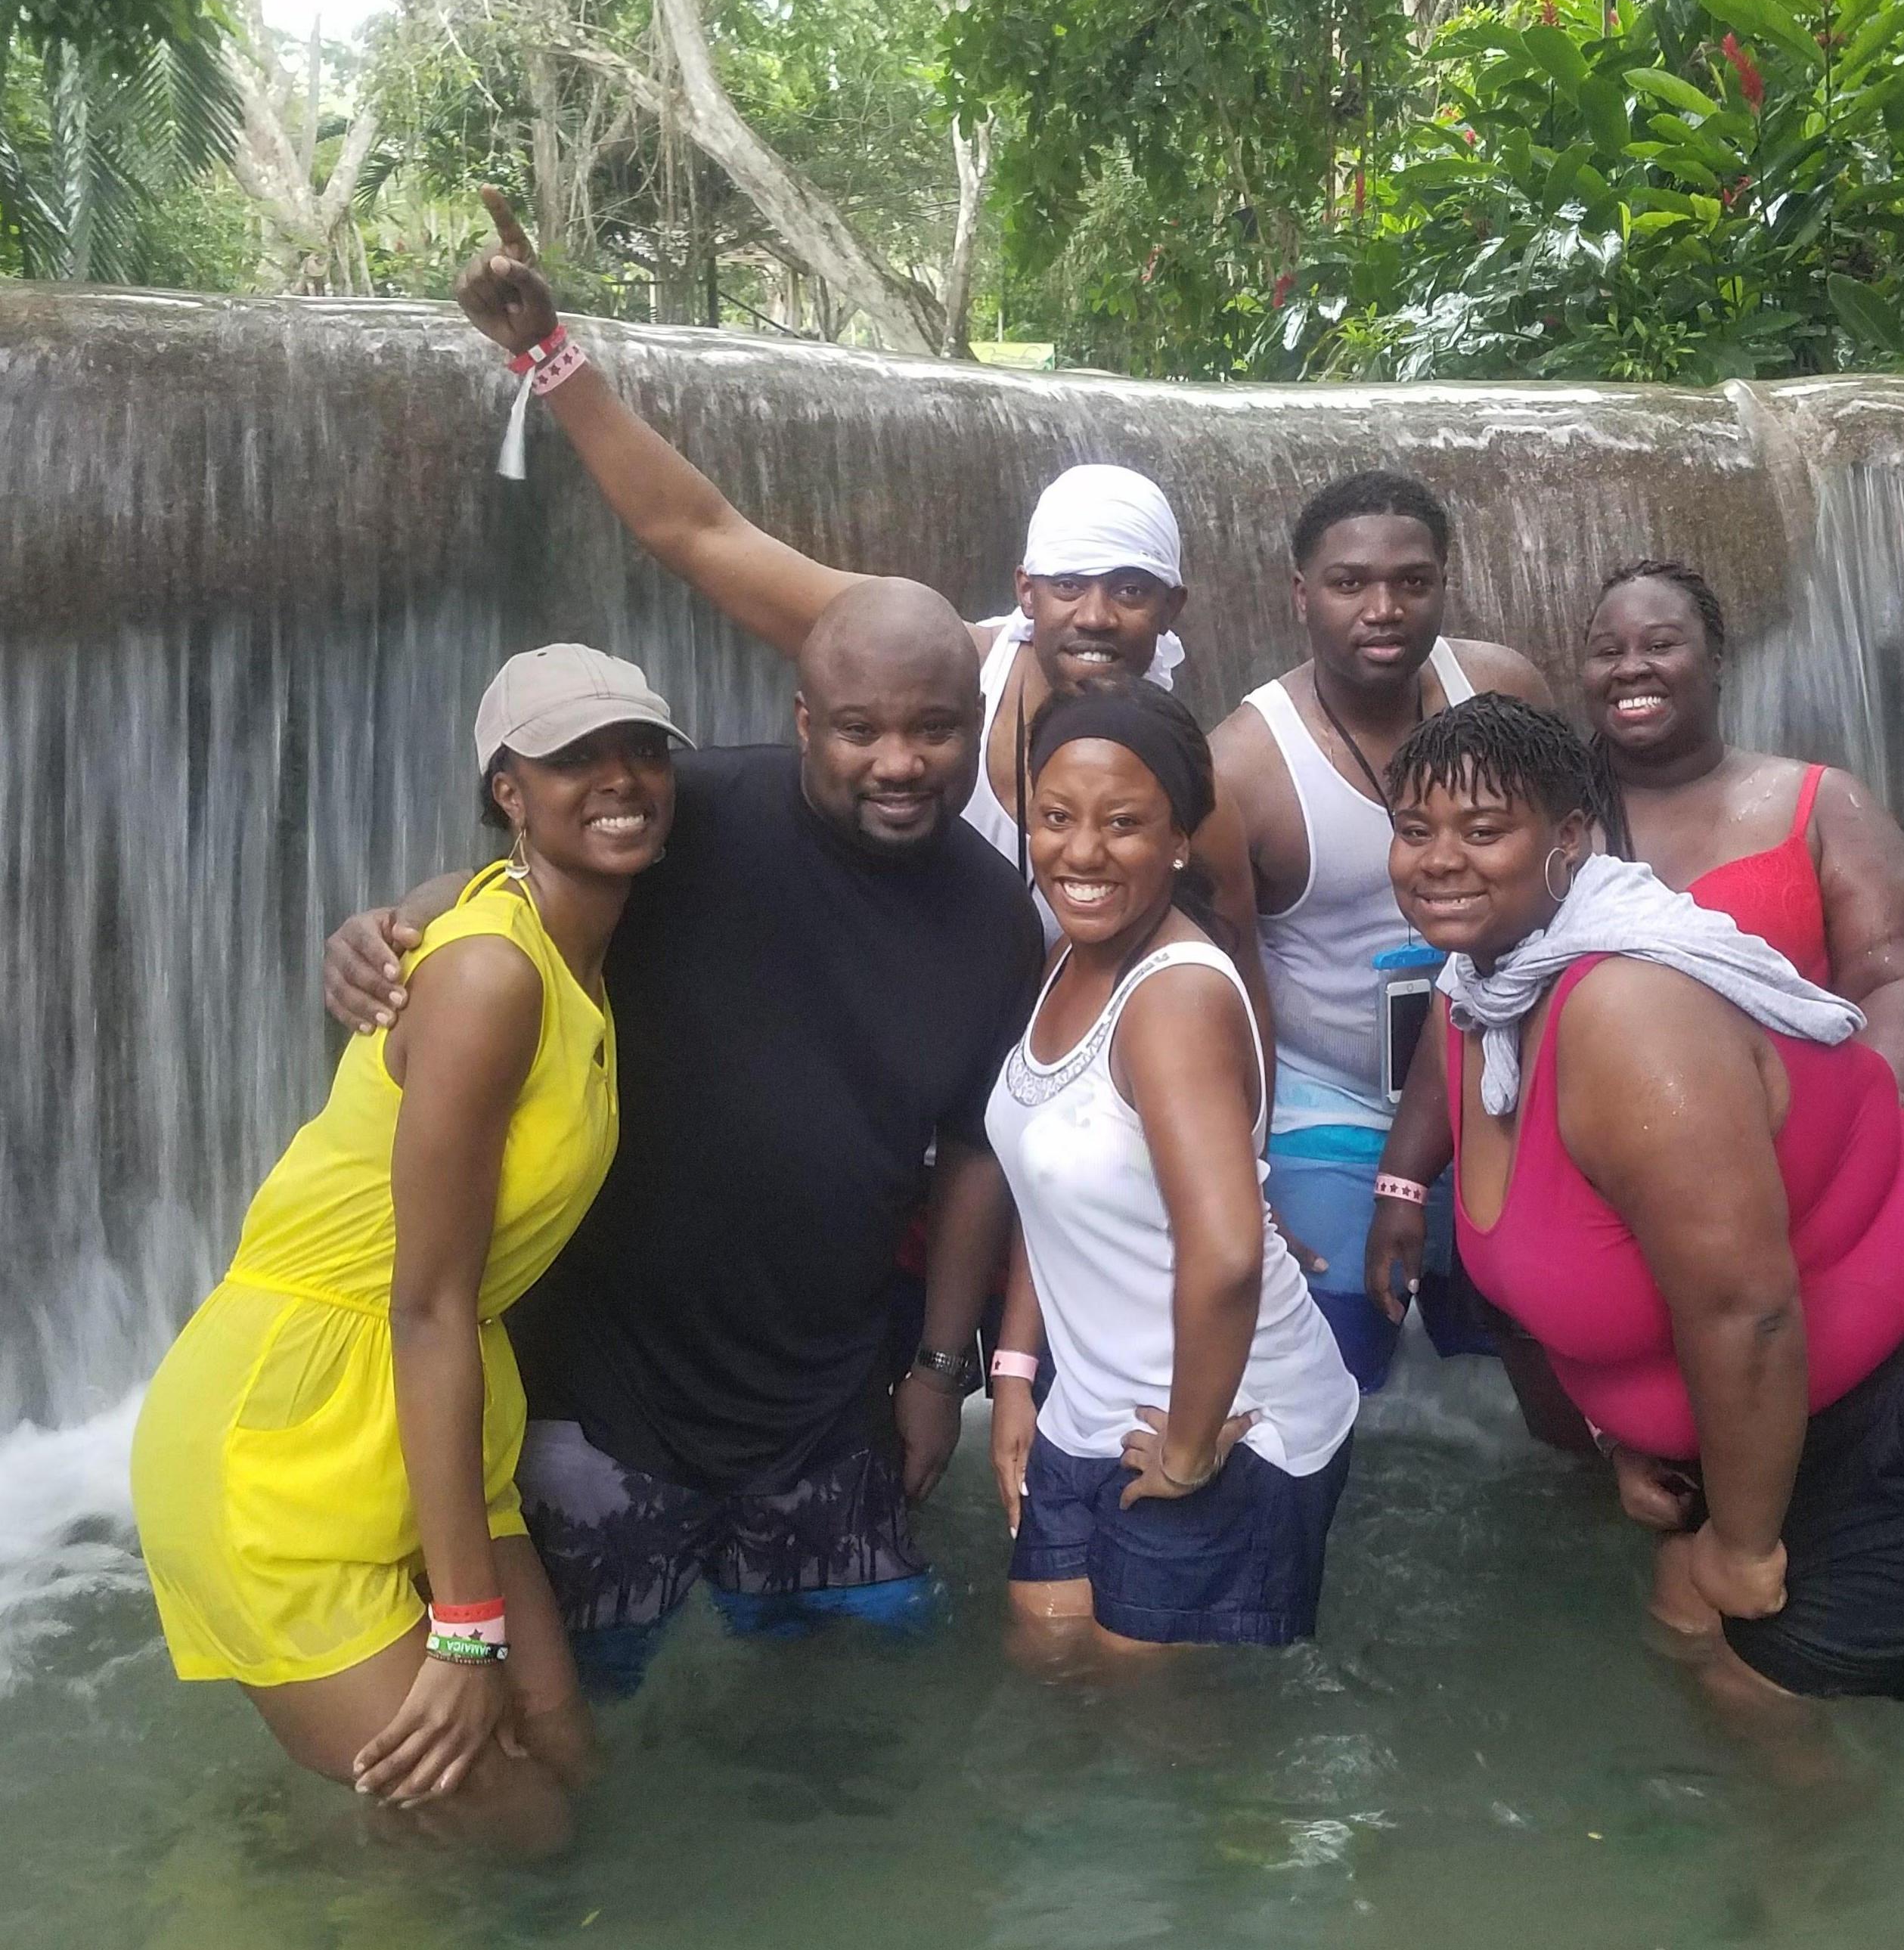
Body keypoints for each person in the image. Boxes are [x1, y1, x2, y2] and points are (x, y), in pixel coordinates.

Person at [322, 581, 1045, 1695]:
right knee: (574, 1708)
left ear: (980, 724)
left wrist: (939, 1371)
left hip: (820, 1395)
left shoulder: (996, 914)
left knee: (858, 1709)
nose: (898, 762)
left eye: (933, 729)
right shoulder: (683, 812)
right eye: (859, 730)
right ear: (806, 721)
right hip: (597, 1392)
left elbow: (976, 1151)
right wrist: (384, 929)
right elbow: (508, 890)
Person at [1381, 694, 1904, 1704]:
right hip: (1783, 1402)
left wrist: (1746, 1537)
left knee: (1749, 1690)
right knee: (1681, 1630)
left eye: (1484, 829)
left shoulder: (1629, 1013)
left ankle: (1834, 1867)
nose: (1439, 858)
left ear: (1570, 840)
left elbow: (1746, 1308)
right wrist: (1628, 1440)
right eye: (1414, 831)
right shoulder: (1486, 994)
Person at [132, 646, 686, 1851]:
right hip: (288, 1432)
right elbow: (423, 1303)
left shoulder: (550, 938)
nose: (621, 778)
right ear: (509, 789)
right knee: (513, 1828)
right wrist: (467, 1626)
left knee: (562, 1757)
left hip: (434, 1416)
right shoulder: (490, 976)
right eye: (573, 757)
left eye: (641, 748)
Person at [448, 188, 1262, 984]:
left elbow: (1236, 955)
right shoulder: (920, 659)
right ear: (1024, 590)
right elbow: (700, 535)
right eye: (1069, 583)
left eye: (1129, 590)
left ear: (1171, 607)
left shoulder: (1184, 783)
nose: (1095, 616)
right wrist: (546, 352)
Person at [987, 684, 1359, 1654]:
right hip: (1093, 1406)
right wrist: (1018, 1372)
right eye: (1055, 818)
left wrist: (1192, 1454)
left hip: (1223, 1417)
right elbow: (1044, 1181)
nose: (1081, 852)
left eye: (1123, 824)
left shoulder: (1176, 997)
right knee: (1047, 1651)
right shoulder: (1070, 957)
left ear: (1181, 839)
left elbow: (1231, 1253)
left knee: (1159, 1750)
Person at [1209, 470, 1551, 1390]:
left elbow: (1577, 874)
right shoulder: (1243, 765)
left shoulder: (1500, 691)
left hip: (1499, 1076)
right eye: (1349, 583)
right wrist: (1242, 1157)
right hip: (1329, 1102)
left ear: (1444, 584)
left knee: (1508, 1362)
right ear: (1300, 595)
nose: (1383, 608)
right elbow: (1224, 978)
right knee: (1338, 1367)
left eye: (1411, 582)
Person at [1581, 557, 1904, 1100]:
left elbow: (1900, 976)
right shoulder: (1551, 820)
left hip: (1801, 1143)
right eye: (1608, 652)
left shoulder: (1821, 804)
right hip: (1595, 1141)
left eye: (1659, 645)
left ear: (1715, 662)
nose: (1631, 667)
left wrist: (1864, 1131)